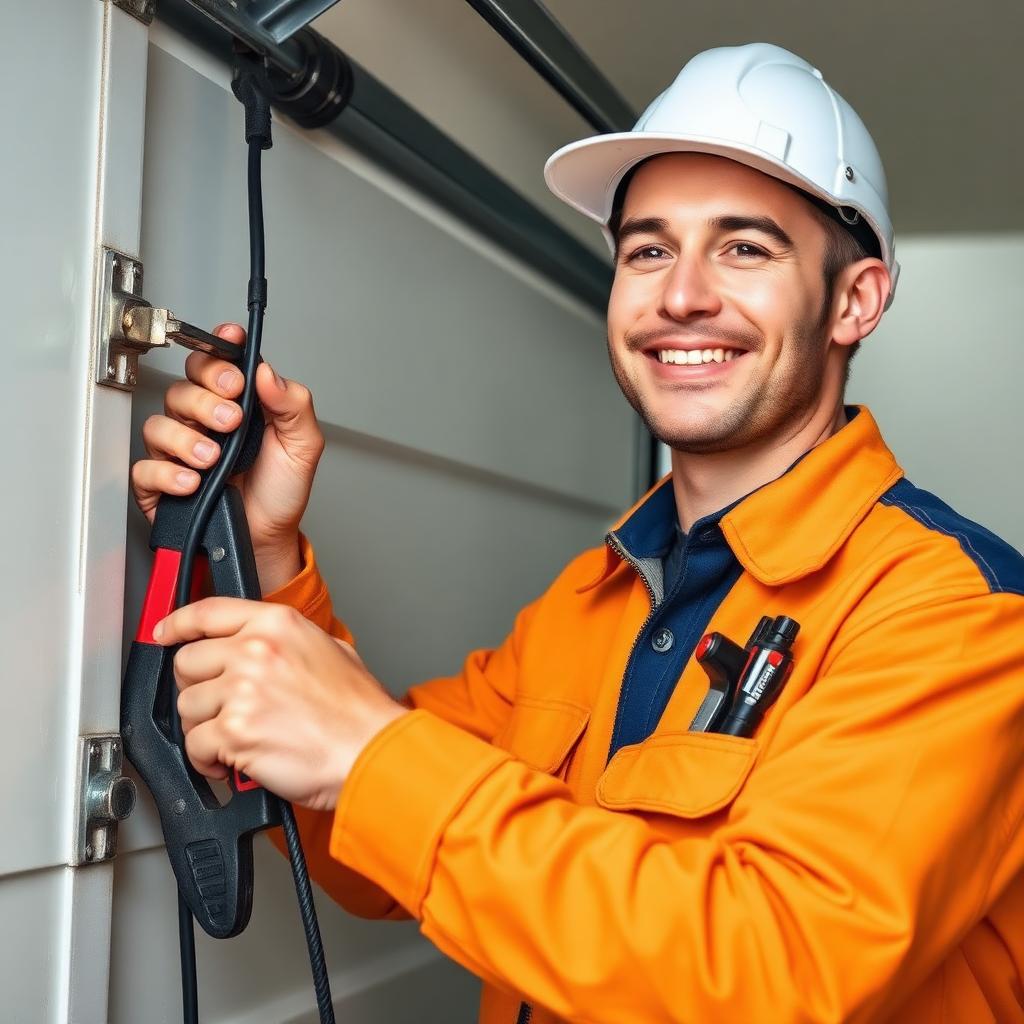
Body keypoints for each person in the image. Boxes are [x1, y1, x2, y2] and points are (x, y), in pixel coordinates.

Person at [132, 43, 1024, 1024]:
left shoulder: (953, 614)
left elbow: (775, 974)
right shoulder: (593, 596)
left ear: (855, 299)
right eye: (647, 248)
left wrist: (369, 747)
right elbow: (374, 857)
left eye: (744, 247)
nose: (680, 294)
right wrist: (265, 556)